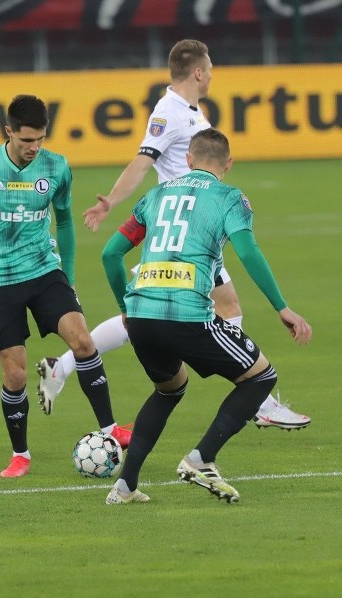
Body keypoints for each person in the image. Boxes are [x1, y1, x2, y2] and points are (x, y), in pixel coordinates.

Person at [36, 39, 310, 431]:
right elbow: (142, 161)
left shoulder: (191, 112)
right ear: (198, 71)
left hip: (188, 231)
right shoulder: (168, 112)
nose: (213, 72)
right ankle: (258, 398)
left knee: (164, 314)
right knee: (213, 309)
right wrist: (110, 201)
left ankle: (59, 367)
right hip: (184, 235)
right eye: (210, 66)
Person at [0, 94, 133, 480]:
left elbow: (63, 221)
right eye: (26, 140)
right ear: (9, 132)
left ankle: (110, 429)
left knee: (82, 341)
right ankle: (21, 455)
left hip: (45, 271)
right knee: (14, 376)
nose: (33, 148)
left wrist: (70, 276)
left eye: (40, 140)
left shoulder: (57, 167)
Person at [100, 128, 312, 505]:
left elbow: (110, 255)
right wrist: (282, 307)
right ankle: (202, 459)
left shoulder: (156, 195)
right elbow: (248, 253)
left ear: (188, 160)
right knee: (260, 376)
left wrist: (125, 308)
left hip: (143, 313)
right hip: (187, 315)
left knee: (169, 389)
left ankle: (124, 486)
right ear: (228, 164)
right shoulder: (229, 198)